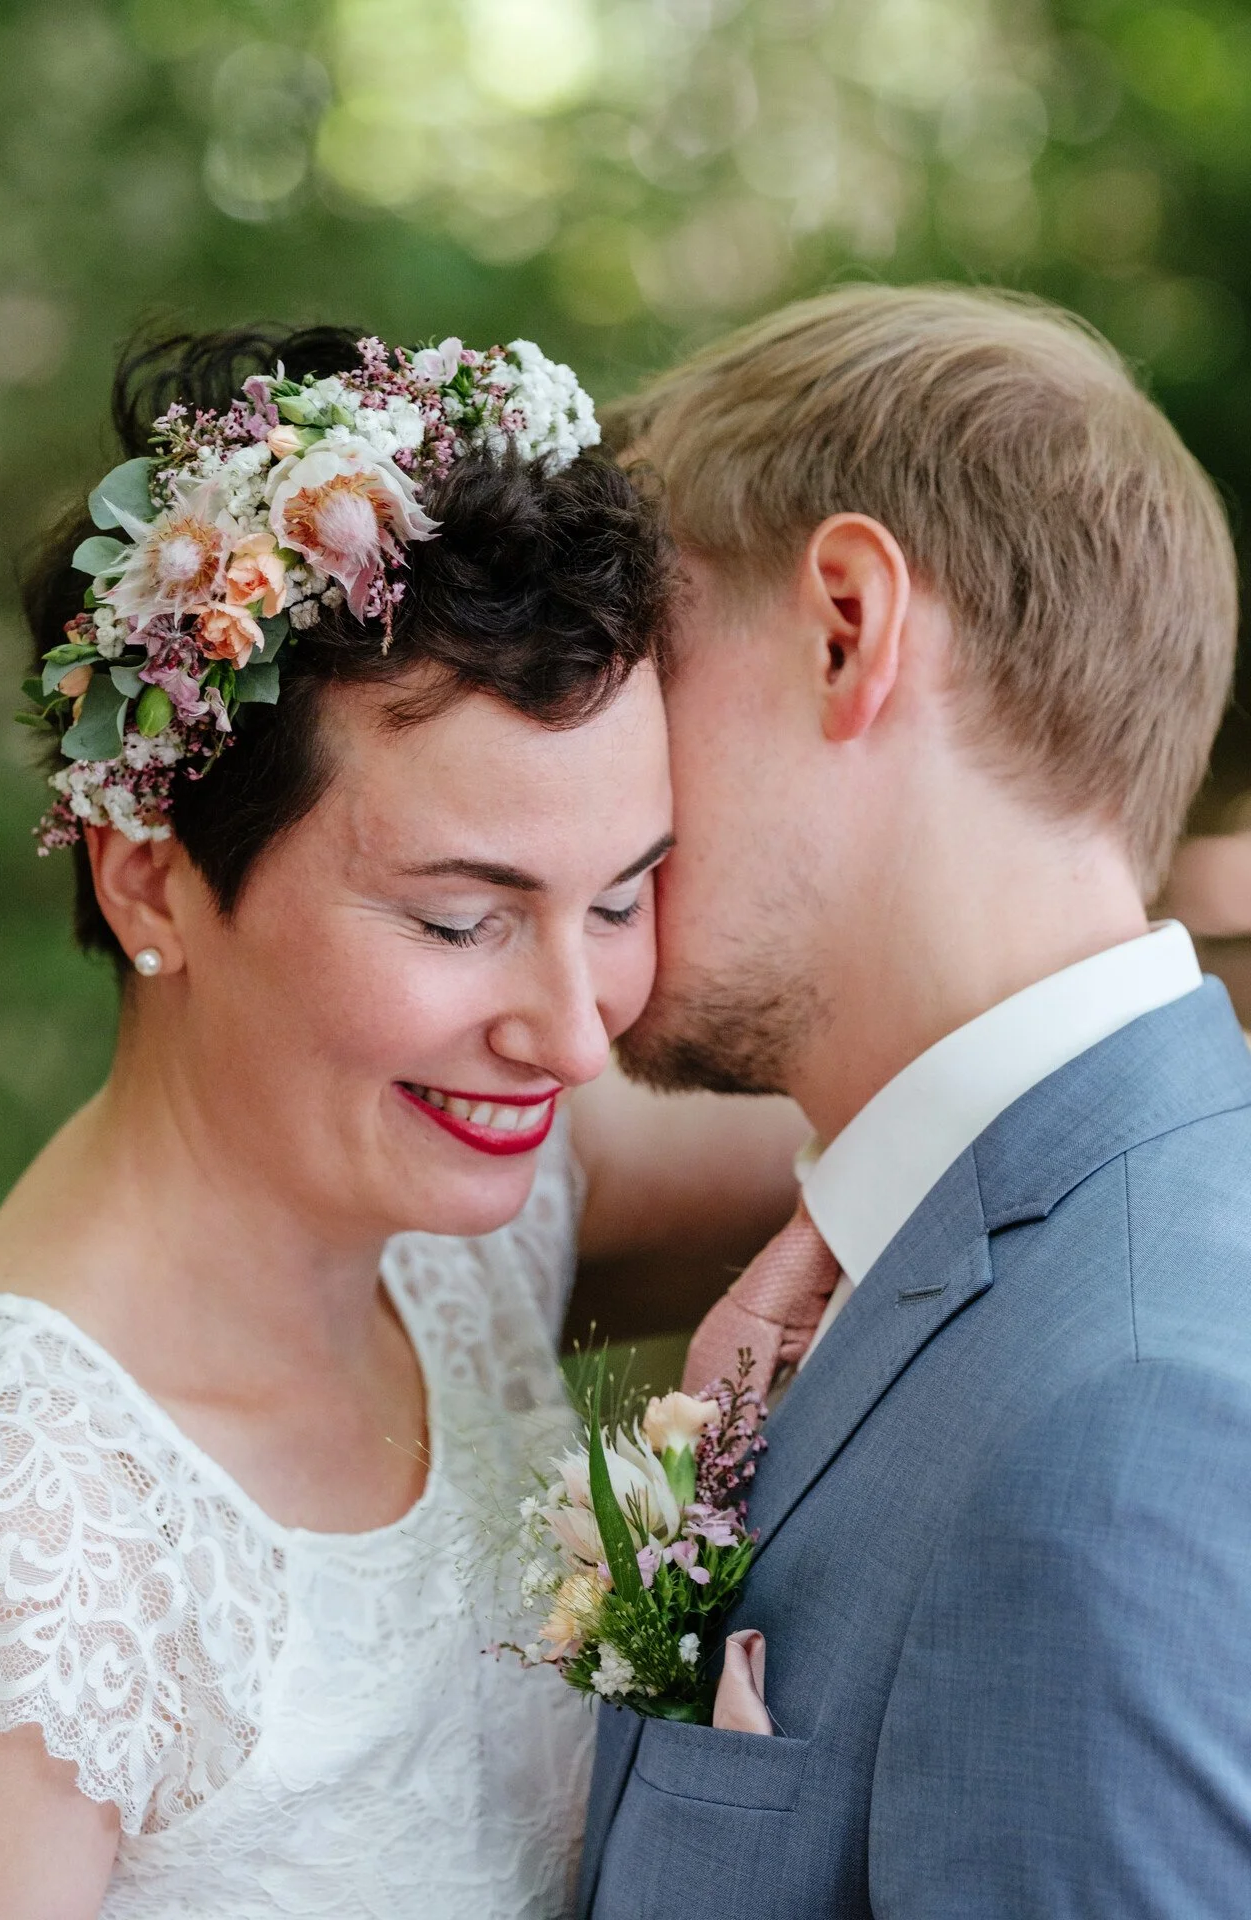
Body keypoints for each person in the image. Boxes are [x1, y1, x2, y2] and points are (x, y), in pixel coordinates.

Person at [0, 325, 804, 1920]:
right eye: (456, 923)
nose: (574, 1034)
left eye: (621, 897)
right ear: (150, 873)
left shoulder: (456, 1213)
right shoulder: (22, 1539)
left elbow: (952, 1106)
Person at [580, 284, 1251, 1917]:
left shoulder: (1130, 1414)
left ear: (847, 628)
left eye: (635, 662)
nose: (590, 769)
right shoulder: (984, 1254)